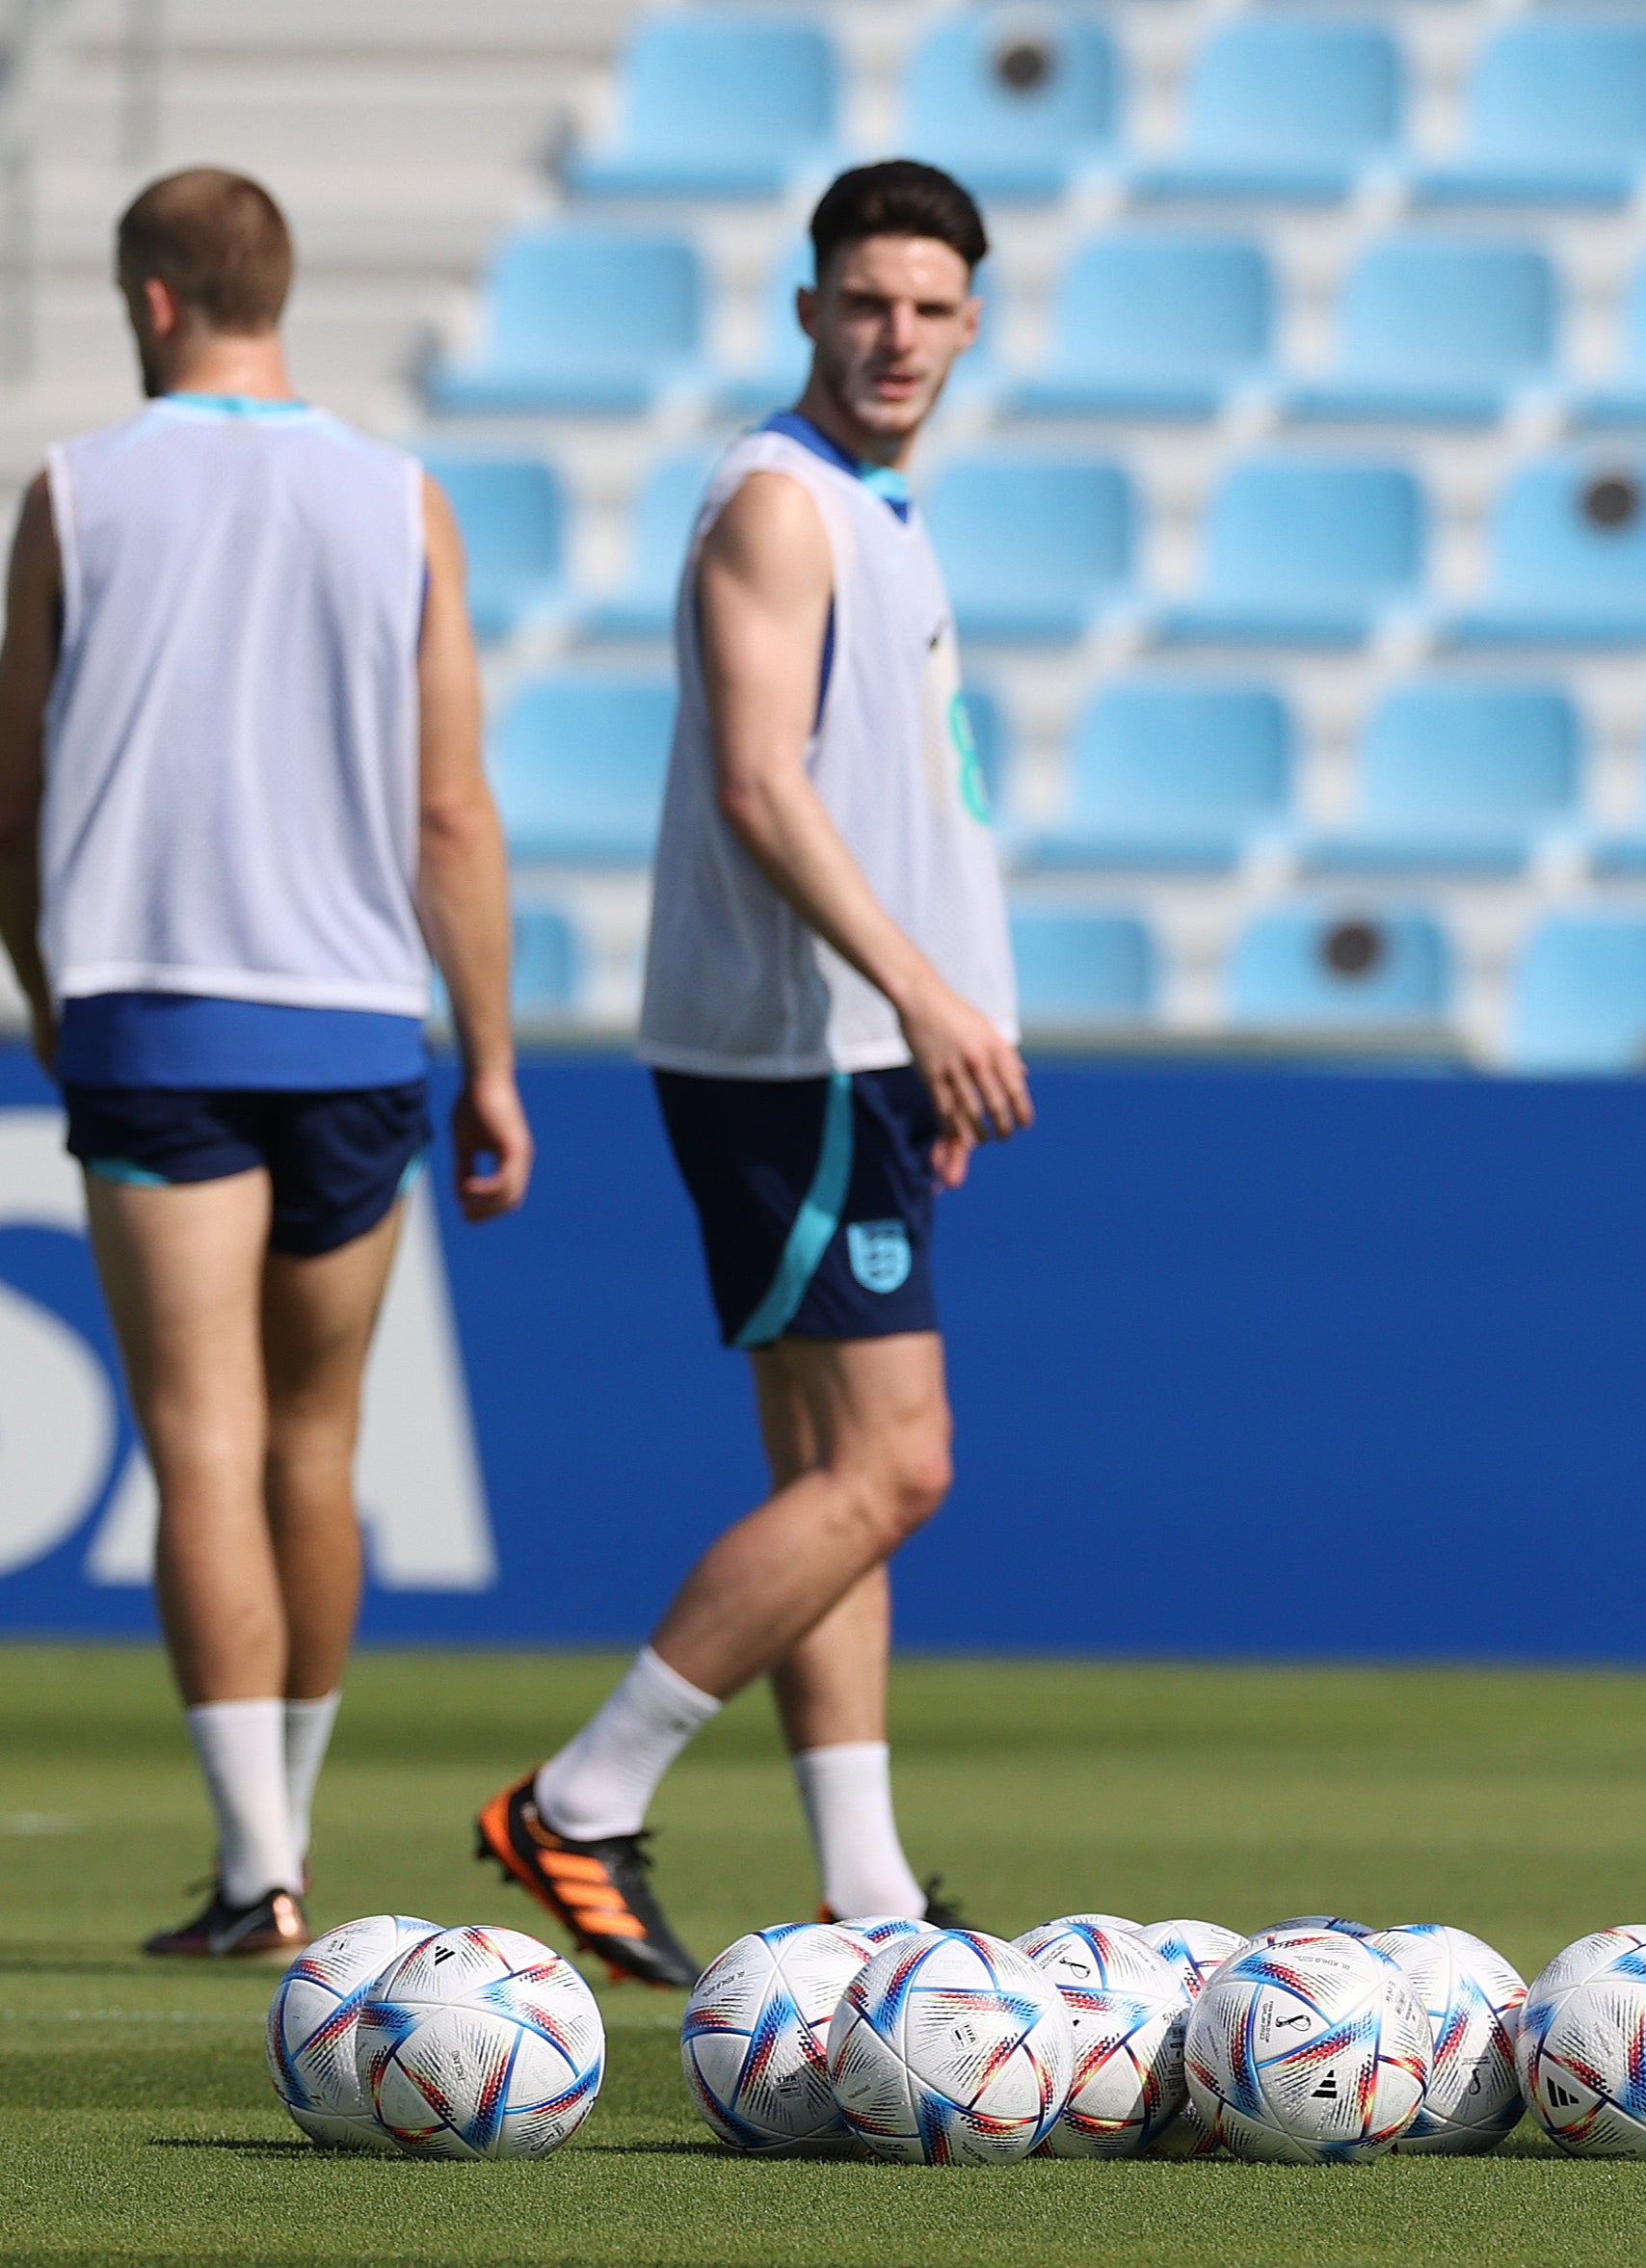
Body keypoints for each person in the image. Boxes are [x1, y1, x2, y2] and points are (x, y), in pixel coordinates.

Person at [477, 161, 1025, 1989]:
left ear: (968, 321)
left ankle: (866, 1893)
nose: (897, 335)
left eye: (930, 307)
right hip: (797, 1044)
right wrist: (928, 1001)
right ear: (808, 308)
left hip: (856, 1044)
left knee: (828, 1469)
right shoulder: (779, 506)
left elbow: (911, 792)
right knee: (900, 1464)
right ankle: (582, 1793)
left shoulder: (881, 509)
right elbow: (761, 784)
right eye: (866, 300)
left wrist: (955, 1017)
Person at [0, 170, 531, 1960]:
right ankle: (290, 1827)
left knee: (201, 1442)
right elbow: (452, 808)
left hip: (154, 1001)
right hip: (359, 1018)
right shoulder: (401, 500)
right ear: (272, 292)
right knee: (319, 1442)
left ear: (153, 301)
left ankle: (258, 1867)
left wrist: (52, 994)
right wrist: (495, 1058)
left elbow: (10, 805)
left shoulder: (74, 490)